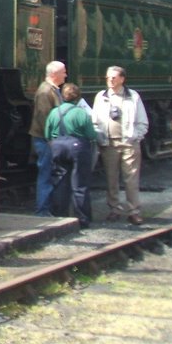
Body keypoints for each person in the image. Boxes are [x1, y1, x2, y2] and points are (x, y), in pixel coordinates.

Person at [92, 66, 149, 225]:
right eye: (108, 77)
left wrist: (135, 137)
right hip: (109, 143)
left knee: (131, 178)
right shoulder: (100, 97)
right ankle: (114, 209)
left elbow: (142, 121)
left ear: (122, 79)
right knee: (111, 178)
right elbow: (95, 120)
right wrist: (100, 135)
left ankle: (133, 210)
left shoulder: (133, 96)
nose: (110, 80)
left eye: (114, 77)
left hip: (128, 143)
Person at [44, 83, 97, 227]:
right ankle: (83, 219)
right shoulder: (81, 113)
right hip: (77, 148)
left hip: (57, 147)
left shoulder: (54, 112)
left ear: (62, 96)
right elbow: (91, 134)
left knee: (60, 182)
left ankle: (60, 217)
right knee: (80, 184)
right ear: (78, 97)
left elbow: (47, 133)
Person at [29, 60, 67, 216]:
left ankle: (48, 207)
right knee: (46, 173)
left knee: (49, 172)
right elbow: (45, 117)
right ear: (54, 74)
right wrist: (53, 139)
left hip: (49, 139)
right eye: (63, 72)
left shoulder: (52, 90)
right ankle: (42, 209)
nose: (66, 75)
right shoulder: (45, 92)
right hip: (46, 140)